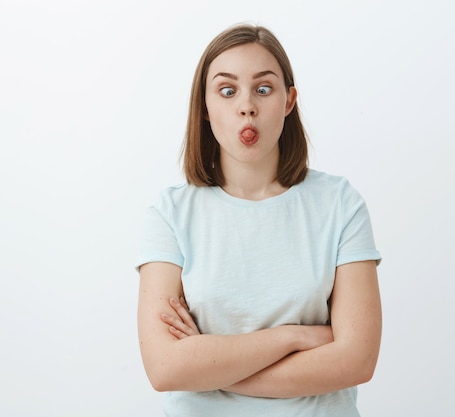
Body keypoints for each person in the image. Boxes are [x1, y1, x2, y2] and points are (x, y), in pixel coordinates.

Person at [136, 23, 382, 417]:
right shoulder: (170, 214)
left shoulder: (339, 204)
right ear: (204, 107)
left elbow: (356, 360)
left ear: (289, 101)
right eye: (227, 90)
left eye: (263, 89)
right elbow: (165, 368)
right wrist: (295, 337)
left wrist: (209, 367)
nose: (246, 106)